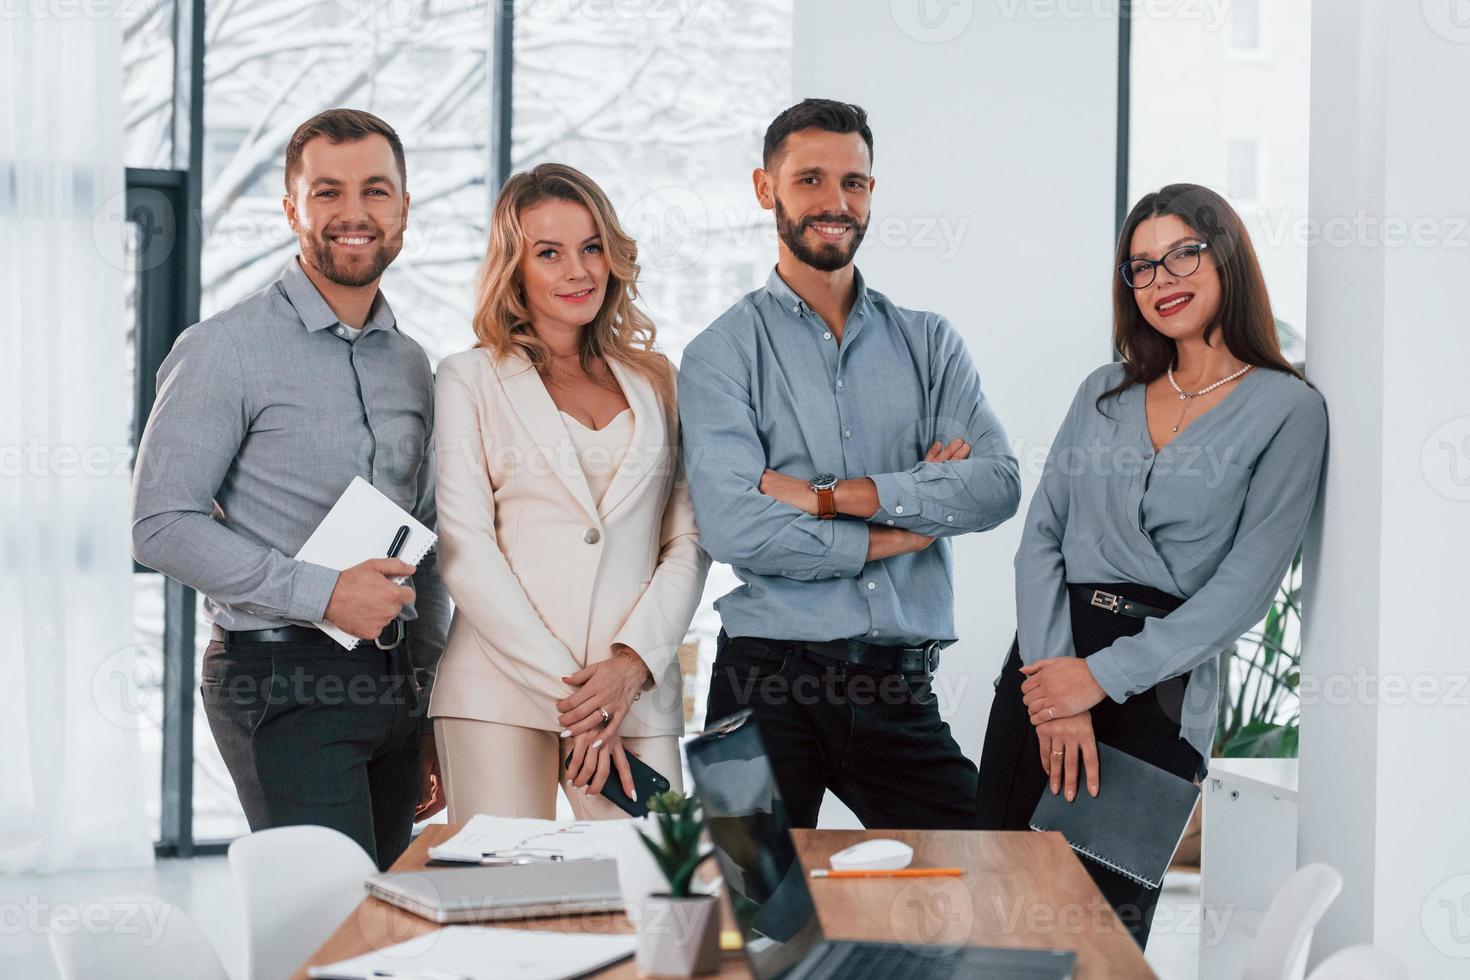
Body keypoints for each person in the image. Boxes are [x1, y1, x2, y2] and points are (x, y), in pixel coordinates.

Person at [974, 183, 1328, 948]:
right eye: (1141, 267)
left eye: (1182, 255)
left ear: (1226, 256)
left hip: (1159, 692)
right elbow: (1041, 537)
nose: (1162, 280)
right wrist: (1055, 681)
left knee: (1098, 931)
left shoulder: (1288, 411)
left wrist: (1100, 680)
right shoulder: (1102, 392)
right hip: (1044, 668)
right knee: (998, 911)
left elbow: (1244, 587)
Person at [679, 99, 1021, 830]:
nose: (835, 203)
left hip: (897, 689)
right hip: (762, 684)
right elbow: (738, 529)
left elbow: (995, 486)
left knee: (982, 880)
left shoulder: (931, 344)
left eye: (855, 183)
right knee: (751, 918)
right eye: (810, 180)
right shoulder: (720, 354)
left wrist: (822, 498)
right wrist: (897, 528)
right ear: (765, 189)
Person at [131, 108, 450, 870]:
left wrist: (429, 701)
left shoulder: (411, 363)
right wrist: (322, 592)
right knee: (328, 918)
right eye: (326, 193)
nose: (353, 214)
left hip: (397, 681)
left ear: (403, 208)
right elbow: (159, 524)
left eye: (375, 191)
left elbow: (426, 535)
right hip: (280, 678)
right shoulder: (222, 349)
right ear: (291, 209)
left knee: (386, 918)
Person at [429, 163, 708, 820]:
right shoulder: (468, 378)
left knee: (658, 892)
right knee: (509, 899)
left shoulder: (658, 379)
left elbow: (690, 541)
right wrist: (577, 700)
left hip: (634, 690)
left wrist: (630, 665)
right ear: (514, 267)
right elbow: (465, 550)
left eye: (590, 248)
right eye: (548, 253)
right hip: (497, 692)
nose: (577, 271)